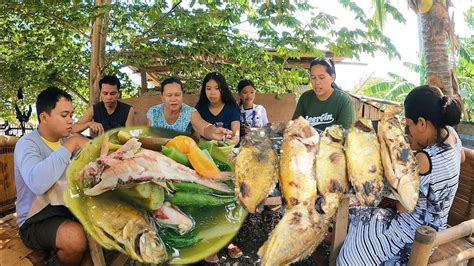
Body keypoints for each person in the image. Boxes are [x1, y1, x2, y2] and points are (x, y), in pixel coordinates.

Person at [337, 85, 465, 265]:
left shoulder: (424, 160)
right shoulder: (451, 134)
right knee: (356, 218)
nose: (407, 131)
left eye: (409, 124)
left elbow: (403, 207)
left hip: (416, 235)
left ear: (421, 123)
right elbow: (462, 157)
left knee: (347, 258)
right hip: (438, 226)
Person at [15, 87, 91, 265]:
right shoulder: (27, 144)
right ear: (44, 117)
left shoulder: (63, 141)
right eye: (64, 115)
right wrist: (73, 142)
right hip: (34, 220)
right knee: (75, 239)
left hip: (64, 210)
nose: (70, 121)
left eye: (71, 115)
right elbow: (37, 183)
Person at [146, 77, 233, 141]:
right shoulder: (153, 112)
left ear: (182, 95)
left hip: (182, 156)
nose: (174, 99)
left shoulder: (189, 112)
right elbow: (149, 138)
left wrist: (214, 132)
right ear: (162, 97)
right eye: (169, 95)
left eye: (177, 95)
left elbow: (204, 127)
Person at [292, 57, 355, 131]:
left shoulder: (343, 100)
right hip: (306, 141)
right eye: (313, 77)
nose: (317, 82)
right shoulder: (305, 98)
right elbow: (295, 127)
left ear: (333, 78)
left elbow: (345, 134)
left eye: (321, 77)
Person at [195, 72, 240, 144]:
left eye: (217, 88)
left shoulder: (232, 108)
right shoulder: (199, 109)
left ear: (223, 89)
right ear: (204, 90)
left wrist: (230, 142)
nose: (212, 92)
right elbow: (196, 135)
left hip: (227, 150)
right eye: (208, 89)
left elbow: (236, 136)